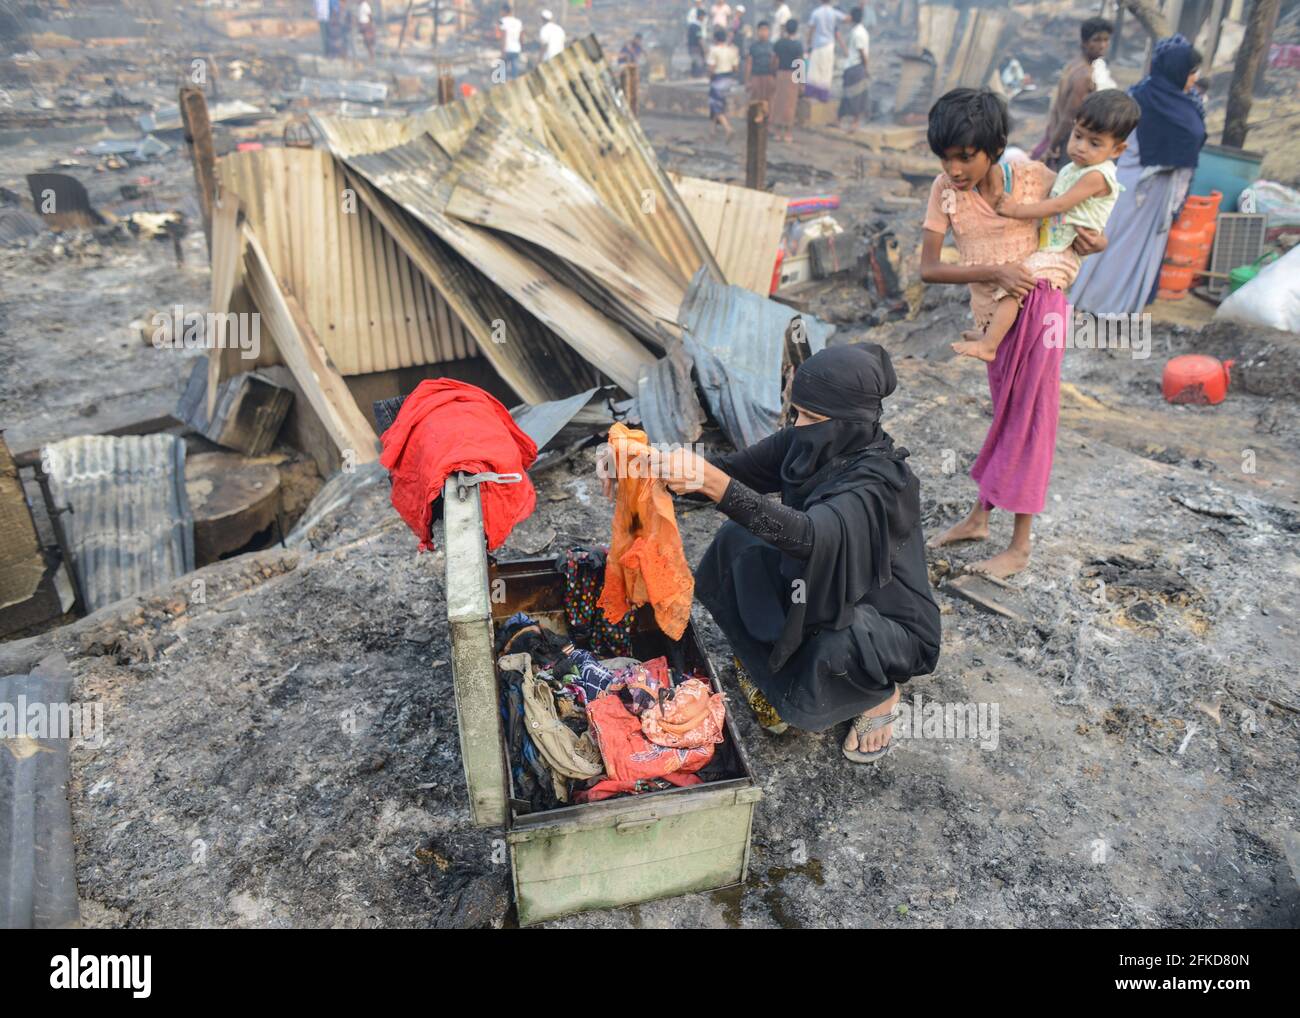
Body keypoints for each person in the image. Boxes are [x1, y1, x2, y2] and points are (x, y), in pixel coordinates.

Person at [604, 344, 942, 761]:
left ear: (850, 420)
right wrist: (643, 463)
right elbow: (731, 471)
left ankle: (878, 693)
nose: (798, 426)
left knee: (832, 639)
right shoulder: (809, 441)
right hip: (820, 584)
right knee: (737, 540)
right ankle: (778, 664)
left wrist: (715, 485)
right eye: (795, 411)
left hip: (879, 623)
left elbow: (809, 537)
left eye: (812, 418)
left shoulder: (878, 485)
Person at [920, 88, 1108, 578]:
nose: (955, 169)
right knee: (1008, 417)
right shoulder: (944, 192)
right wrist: (995, 272)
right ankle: (980, 519)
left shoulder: (1034, 178)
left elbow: (1079, 218)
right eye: (945, 157)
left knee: (1030, 420)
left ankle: (1020, 546)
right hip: (994, 320)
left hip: (1040, 313)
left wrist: (1096, 242)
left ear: (995, 148)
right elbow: (929, 268)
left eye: (965, 157)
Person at [951, 89, 1139, 363]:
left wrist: (1016, 210)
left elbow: (1058, 205)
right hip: (1053, 247)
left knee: (1017, 284)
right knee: (1015, 286)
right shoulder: (1074, 169)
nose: (1081, 147)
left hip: (1063, 254)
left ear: (1118, 150)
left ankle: (989, 344)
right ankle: (991, 335)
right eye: (1078, 136)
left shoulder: (1097, 176)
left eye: (1095, 143)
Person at [1070, 36, 1207, 316]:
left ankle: (1098, 303)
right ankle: (1107, 306)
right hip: (1142, 188)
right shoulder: (1171, 106)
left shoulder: (1142, 93)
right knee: (1119, 248)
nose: (1194, 78)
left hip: (1137, 183)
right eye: (1191, 71)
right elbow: (1191, 138)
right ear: (1176, 70)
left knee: (1117, 246)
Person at [1033, 17, 1113, 171]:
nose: (1102, 45)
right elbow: (1069, 118)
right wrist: (1052, 146)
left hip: (1059, 135)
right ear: (1084, 42)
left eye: (1106, 40)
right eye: (1096, 40)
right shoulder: (1083, 76)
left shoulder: (1074, 65)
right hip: (1068, 141)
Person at [805, 0, 847, 103]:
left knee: (814, 69)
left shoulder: (816, 12)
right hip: (828, 46)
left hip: (817, 45)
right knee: (826, 70)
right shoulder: (834, 12)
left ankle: (811, 94)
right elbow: (846, 19)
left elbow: (811, 29)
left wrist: (809, 42)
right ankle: (823, 96)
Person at [837, 6, 870, 130]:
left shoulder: (857, 32)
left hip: (854, 67)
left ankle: (852, 122)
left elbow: (862, 52)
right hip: (855, 66)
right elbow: (862, 53)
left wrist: (865, 67)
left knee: (854, 96)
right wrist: (866, 67)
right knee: (853, 95)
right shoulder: (860, 31)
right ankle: (845, 121)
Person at [771, 17, 802, 143]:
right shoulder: (797, 45)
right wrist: (801, 82)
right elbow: (800, 63)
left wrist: (774, 73)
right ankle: (788, 133)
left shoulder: (779, 43)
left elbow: (775, 61)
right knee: (790, 104)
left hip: (780, 73)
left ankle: (777, 132)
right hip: (793, 75)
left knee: (778, 102)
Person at [707, 26, 741, 137]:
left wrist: (710, 77)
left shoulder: (713, 50)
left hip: (718, 79)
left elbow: (711, 68)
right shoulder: (732, 50)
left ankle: (728, 128)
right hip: (728, 79)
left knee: (716, 105)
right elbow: (736, 68)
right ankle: (712, 130)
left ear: (715, 39)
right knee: (719, 103)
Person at [746, 20, 777, 107]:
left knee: (770, 99)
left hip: (769, 76)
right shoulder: (753, 46)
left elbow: (776, 62)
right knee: (756, 100)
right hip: (756, 76)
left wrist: (775, 78)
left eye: (766, 30)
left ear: (769, 32)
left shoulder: (773, 46)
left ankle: (769, 119)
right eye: (761, 30)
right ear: (757, 32)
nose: (763, 32)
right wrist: (748, 81)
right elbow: (749, 63)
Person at [500, 3, 524, 79]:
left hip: (507, 49)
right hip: (516, 49)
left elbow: (504, 36)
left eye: (501, 11)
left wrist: (502, 51)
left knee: (503, 71)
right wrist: (521, 47)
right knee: (515, 70)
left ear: (504, 11)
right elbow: (521, 36)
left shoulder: (503, 21)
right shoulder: (518, 22)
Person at [687, 6, 708, 76]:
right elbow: (699, 39)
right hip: (695, 47)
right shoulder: (696, 26)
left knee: (695, 61)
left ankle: (694, 74)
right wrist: (704, 48)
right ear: (700, 16)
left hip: (691, 46)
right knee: (698, 62)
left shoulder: (692, 25)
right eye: (703, 17)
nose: (704, 18)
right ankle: (697, 75)